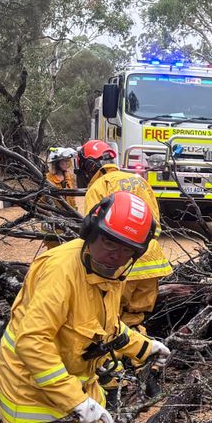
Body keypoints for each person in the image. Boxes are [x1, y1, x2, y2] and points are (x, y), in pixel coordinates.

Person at [0, 192, 172, 423]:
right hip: (33, 392)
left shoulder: (112, 273)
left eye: (126, 249)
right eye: (109, 242)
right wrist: (74, 401)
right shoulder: (60, 271)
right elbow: (31, 341)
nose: (115, 255)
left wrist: (143, 348)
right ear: (91, 232)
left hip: (78, 381)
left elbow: (102, 327)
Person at [78, 140, 173, 402]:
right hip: (150, 261)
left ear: (88, 165)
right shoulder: (138, 181)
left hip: (121, 266)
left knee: (110, 325)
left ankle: (112, 387)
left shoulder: (98, 187)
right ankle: (150, 380)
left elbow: (94, 233)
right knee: (135, 321)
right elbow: (155, 224)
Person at [41, 147, 78, 250]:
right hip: (53, 220)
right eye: (64, 161)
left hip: (69, 219)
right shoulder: (47, 179)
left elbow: (72, 200)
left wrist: (75, 216)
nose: (67, 163)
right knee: (53, 250)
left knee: (70, 249)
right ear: (56, 163)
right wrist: (45, 219)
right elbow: (42, 202)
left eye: (68, 160)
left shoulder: (70, 177)